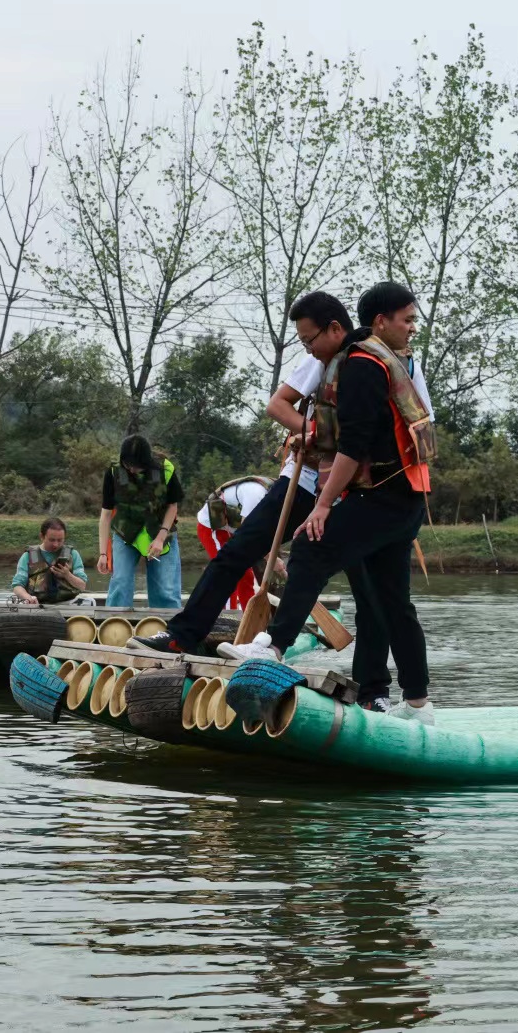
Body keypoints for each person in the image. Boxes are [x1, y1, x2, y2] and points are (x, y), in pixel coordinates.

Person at [221, 281, 436, 728]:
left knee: (312, 548)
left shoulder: (361, 363)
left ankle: (273, 648)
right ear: (381, 321)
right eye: (408, 319)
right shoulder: (380, 358)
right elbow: (356, 437)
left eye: (411, 319)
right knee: (395, 602)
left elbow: (354, 445)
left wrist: (322, 505)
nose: (412, 328)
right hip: (404, 498)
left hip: (385, 497)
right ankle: (418, 705)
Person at [128, 291, 352, 654]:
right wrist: (312, 435)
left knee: (344, 574)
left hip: (349, 489)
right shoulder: (319, 361)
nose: (308, 348)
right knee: (236, 553)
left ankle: (369, 682)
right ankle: (182, 635)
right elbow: (278, 404)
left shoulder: (369, 364)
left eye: (309, 340)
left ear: (335, 328)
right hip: (306, 480)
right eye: (304, 341)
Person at [98, 435, 184, 609]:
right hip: (126, 533)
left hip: (160, 532)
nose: (131, 470)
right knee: (120, 583)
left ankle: (168, 632)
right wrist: (103, 554)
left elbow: (172, 506)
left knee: (165, 590)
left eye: (136, 467)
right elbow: (106, 514)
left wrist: (160, 538)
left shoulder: (165, 469)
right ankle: (114, 628)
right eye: (128, 465)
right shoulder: (114, 472)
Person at [195, 475, 272, 611]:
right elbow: (248, 533)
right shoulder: (256, 494)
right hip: (212, 529)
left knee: (246, 576)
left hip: (232, 532)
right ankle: (229, 618)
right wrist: (272, 559)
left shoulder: (272, 498)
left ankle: (249, 616)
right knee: (228, 572)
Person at [11, 516, 87, 606]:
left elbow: (82, 586)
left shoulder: (72, 554)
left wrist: (67, 575)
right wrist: (28, 597)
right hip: (37, 604)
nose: (56, 544)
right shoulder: (29, 556)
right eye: (52, 540)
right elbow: (17, 586)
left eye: (60, 540)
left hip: (69, 604)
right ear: (42, 536)